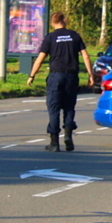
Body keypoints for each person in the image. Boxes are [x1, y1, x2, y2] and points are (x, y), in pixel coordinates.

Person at [26, 12, 94, 152]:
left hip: (56, 76)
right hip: (72, 77)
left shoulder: (50, 37)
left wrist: (32, 75)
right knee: (69, 107)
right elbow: (86, 56)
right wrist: (90, 75)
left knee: (54, 108)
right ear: (65, 20)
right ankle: (68, 136)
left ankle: (54, 142)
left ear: (52, 23)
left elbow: (40, 59)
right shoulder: (74, 35)